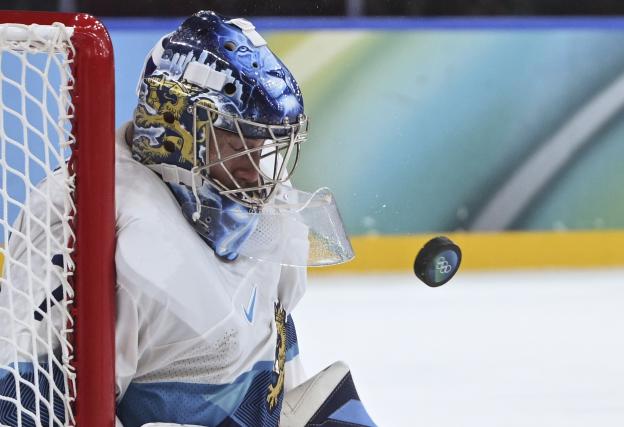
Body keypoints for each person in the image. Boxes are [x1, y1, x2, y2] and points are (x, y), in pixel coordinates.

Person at [0, 10, 376, 427]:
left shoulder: (268, 211)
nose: (256, 175)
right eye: (236, 145)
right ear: (174, 130)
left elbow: (276, 374)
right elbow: (19, 407)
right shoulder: (88, 222)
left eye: (263, 146)